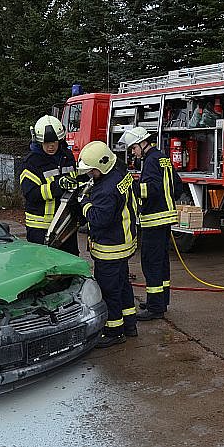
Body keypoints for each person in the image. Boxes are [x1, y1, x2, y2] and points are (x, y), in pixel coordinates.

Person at [78, 140, 139, 347]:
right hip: (124, 243)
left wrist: (84, 203)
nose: (90, 174)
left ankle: (113, 331)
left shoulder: (105, 189)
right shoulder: (120, 172)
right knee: (123, 286)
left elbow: (97, 219)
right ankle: (129, 324)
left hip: (110, 248)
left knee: (109, 291)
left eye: (92, 171)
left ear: (102, 166)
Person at [118, 126, 183, 320]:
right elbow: (177, 185)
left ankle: (155, 308)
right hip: (165, 218)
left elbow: (151, 189)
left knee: (151, 263)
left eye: (133, 148)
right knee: (161, 262)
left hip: (154, 219)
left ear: (141, 143)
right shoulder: (161, 157)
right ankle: (161, 301)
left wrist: (133, 187)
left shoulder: (151, 161)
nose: (133, 152)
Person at [20, 115, 83, 255]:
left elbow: (75, 183)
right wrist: (57, 186)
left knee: (69, 262)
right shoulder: (31, 163)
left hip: (65, 223)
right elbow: (31, 194)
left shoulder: (67, 156)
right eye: (46, 142)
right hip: (40, 227)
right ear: (38, 141)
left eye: (54, 142)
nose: (51, 146)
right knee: (43, 265)